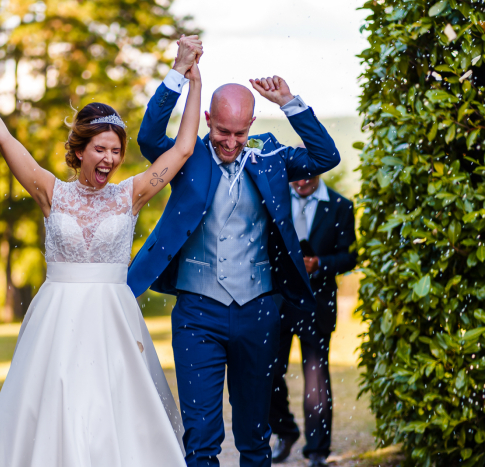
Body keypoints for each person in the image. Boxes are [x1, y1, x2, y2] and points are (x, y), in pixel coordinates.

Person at [0, 48, 203, 466]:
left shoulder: (130, 195)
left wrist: (193, 81)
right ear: (80, 151)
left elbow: (184, 148)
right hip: (57, 319)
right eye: (101, 149)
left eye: (116, 151)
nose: (110, 160)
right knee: (57, 408)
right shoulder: (49, 192)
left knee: (113, 412)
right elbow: (3, 136)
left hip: (113, 320)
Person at [127, 35, 341, 467]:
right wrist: (178, 72)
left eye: (240, 132)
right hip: (196, 314)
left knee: (254, 436)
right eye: (222, 131)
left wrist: (290, 103)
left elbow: (326, 155)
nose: (230, 141)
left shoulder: (272, 155)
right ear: (207, 119)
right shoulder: (186, 154)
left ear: (252, 123)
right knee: (201, 436)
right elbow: (148, 135)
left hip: (259, 310)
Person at [269, 175, 356, 467]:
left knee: (316, 380)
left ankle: (317, 451)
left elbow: (349, 257)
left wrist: (320, 263)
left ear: (319, 171)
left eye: (308, 175)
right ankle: (285, 431)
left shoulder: (341, 206)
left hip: (317, 304)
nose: (301, 182)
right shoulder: (275, 200)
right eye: (295, 176)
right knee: (267, 372)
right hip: (277, 300)